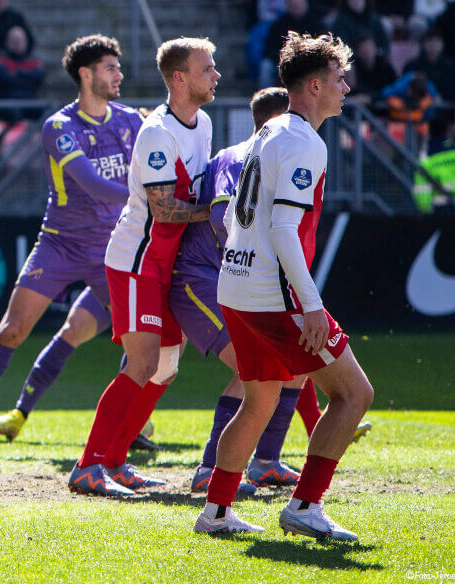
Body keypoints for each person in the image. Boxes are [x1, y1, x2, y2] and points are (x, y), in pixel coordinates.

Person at [194, 33, 373, 539]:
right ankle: (305, 505)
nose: (346, 86)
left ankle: (217, 511)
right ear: (313, 85)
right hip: (277, 299)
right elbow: (281, 229)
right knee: (354, 395)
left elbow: (238, 216)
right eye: (339, 78)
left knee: (260, 403)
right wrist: (311, 306)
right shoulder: (302, 142)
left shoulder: (271, 130)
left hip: (236, 287)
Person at [0, 35, 142, 454]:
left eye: (118, 67)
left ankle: (131, 427)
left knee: (138, 340)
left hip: (112, 249)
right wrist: (149, 192)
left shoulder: (131, 120)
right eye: (110, 67)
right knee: (13, 329)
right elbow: (94, 185)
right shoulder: (60, 126)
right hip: (59, 245)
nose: (120, 74)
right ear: (86, 73)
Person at [69, 37, 219, 497]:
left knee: (165, 368)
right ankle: (88, 467)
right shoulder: (157, 132)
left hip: (166, 265)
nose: (216, 76)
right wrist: (213, 211)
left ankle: (114, 463)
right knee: (143, 363)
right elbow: (164, 209)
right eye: (207, 69)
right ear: (180, 78)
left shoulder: (204, 122)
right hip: (136, 262)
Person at [171, 87, 306, 494]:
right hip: (199, 279)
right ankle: (209, 470)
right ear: (277, 122)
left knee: (295, 365)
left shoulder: (271, 156)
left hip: (233, 277)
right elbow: (221, 217)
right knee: (258, 369)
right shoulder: (241, 156)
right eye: (295, 119)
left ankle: (265, 462)